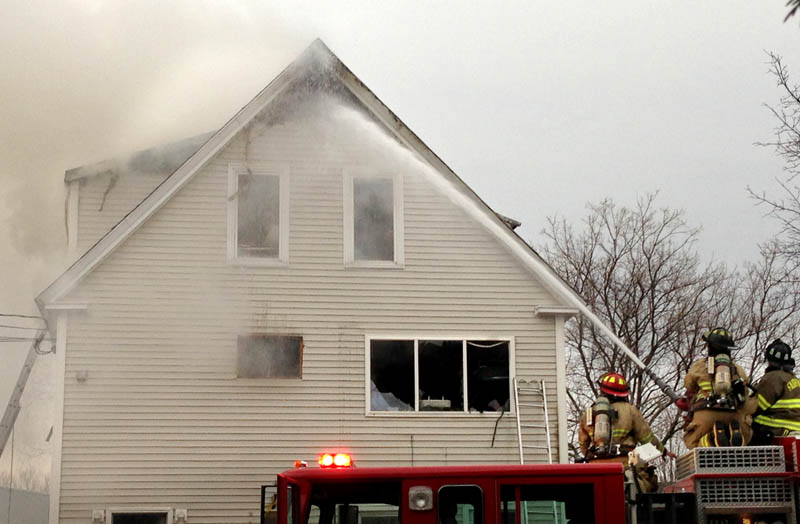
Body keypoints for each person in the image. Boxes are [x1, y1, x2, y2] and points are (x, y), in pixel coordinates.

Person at [578, 372, 666, 493]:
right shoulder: (630, 410)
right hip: (624, 465)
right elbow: (647, 438)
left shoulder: (589, 413)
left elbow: (583, 444)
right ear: (624, 393)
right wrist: (663, 451)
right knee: (644, 486)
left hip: (596, 468)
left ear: (602, 391)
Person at [678, 327, 755, 448]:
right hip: (734, 415)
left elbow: (689, 385)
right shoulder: (738, 369)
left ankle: (711, 439)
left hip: (707, 414)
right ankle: (733, 434)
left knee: (691, 441)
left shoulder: (699, 366)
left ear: (709, 347)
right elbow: (746, 395)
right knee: (746, 436)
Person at [750, 339, 800, 444]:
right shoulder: (793, 379)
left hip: (774, 430)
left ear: (768, 359)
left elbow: (757, 406)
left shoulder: (772, 378)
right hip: (793, 431)